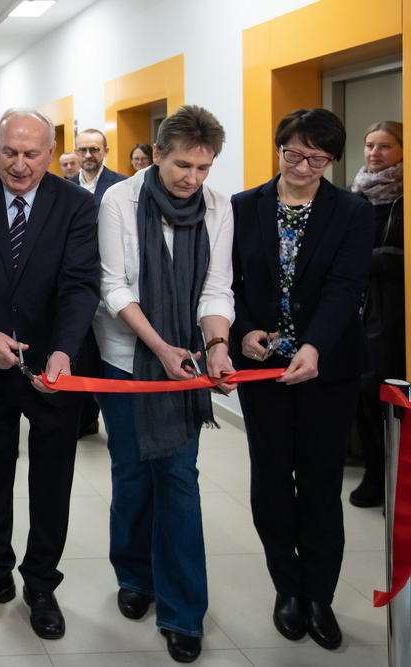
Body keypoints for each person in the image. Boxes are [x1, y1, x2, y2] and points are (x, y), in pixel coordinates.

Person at [0, 107, 100, 640]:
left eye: (32, 154)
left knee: (51, 480)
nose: (19, 164)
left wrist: (64, 351)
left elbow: (81, 284)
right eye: (9, 152)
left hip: (53, 369)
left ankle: (40, 583)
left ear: (52, 152)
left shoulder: (75, 204)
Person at [92, 105, 235, 664]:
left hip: (187, 363)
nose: (192, 178)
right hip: (125, 359)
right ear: (156, 155)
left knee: (177, 477)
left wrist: (216, 345)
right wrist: (159, 347)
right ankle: (135, 575)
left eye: (203, 168)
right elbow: (113, 286)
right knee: (131, 471)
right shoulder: (119, 200)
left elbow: (216, 287)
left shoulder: (217, 207)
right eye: (182, 165)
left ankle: (182, 610)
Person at [231, 108, 374, 651]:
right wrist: (242, 331)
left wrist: (314, 346)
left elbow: (345, 286)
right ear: (279, 148)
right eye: (294, 153)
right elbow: (227, 283)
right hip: (263, 366)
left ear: (333, 160)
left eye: (318, 158)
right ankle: (287, 588)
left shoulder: (352, 211)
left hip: (327, 367)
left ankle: (320, 595)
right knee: (271, 478)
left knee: (319, 482)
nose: (303, 166)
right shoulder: (242, 207)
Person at [349, 121, 405, 507]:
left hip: (392, 311)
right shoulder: (356, 195)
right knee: (359, 394)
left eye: (385, 146)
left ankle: (395, 481)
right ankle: (374, 472)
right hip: (354, 307)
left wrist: (372, 260)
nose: (374, 153)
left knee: (380, 395)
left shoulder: (405, 198)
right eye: (370, 145)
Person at [71, 129, 127, 207]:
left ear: (105, 151)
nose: (88, 155)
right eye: (82, 150)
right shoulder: (67, 187)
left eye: (94, 149)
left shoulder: (122, 184)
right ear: (76, 153)